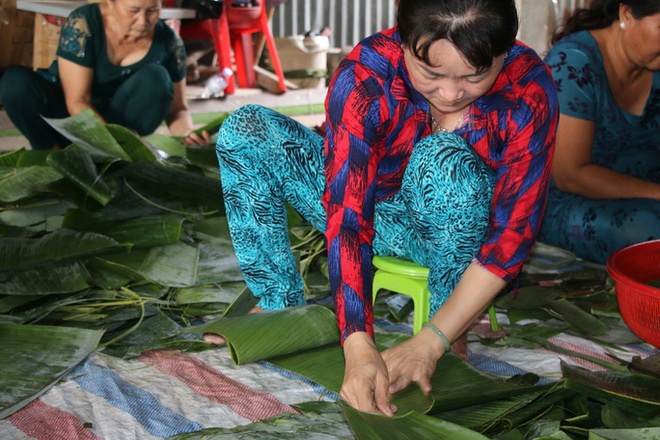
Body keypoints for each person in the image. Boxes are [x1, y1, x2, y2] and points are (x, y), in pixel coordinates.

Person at [213, 0, 558, 416]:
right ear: (403, 39)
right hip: (377, 212)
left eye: (475, 76)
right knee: (246, 130)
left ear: (506, 52)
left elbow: (511, 238)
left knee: (442, 160)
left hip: (462, 234)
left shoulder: (529, 90)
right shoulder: (365, 76)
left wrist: (431, 340)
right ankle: (277, 300)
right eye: (430, 73)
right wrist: (357, 342)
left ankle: (451, 327)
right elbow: (348, 215)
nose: (450, 94)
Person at [537, 0, 660, 263]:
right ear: (627, 13)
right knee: (649, 232)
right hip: (571, 202)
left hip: (648, 196)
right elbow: (571, 174)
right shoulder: (573, 64)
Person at [0, 0, 209, 150]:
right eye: (133, 10)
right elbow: (78, 101)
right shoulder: (83, 24)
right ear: (110, 3)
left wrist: (188, 133)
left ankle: (114, 155)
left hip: (122, 124)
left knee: (157, 78)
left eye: (153, 10)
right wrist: (113, 142)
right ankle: (52, 153)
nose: (143, 21)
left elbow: (178, 110)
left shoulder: (170, 43)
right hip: (67, 118)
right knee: (15, 83)